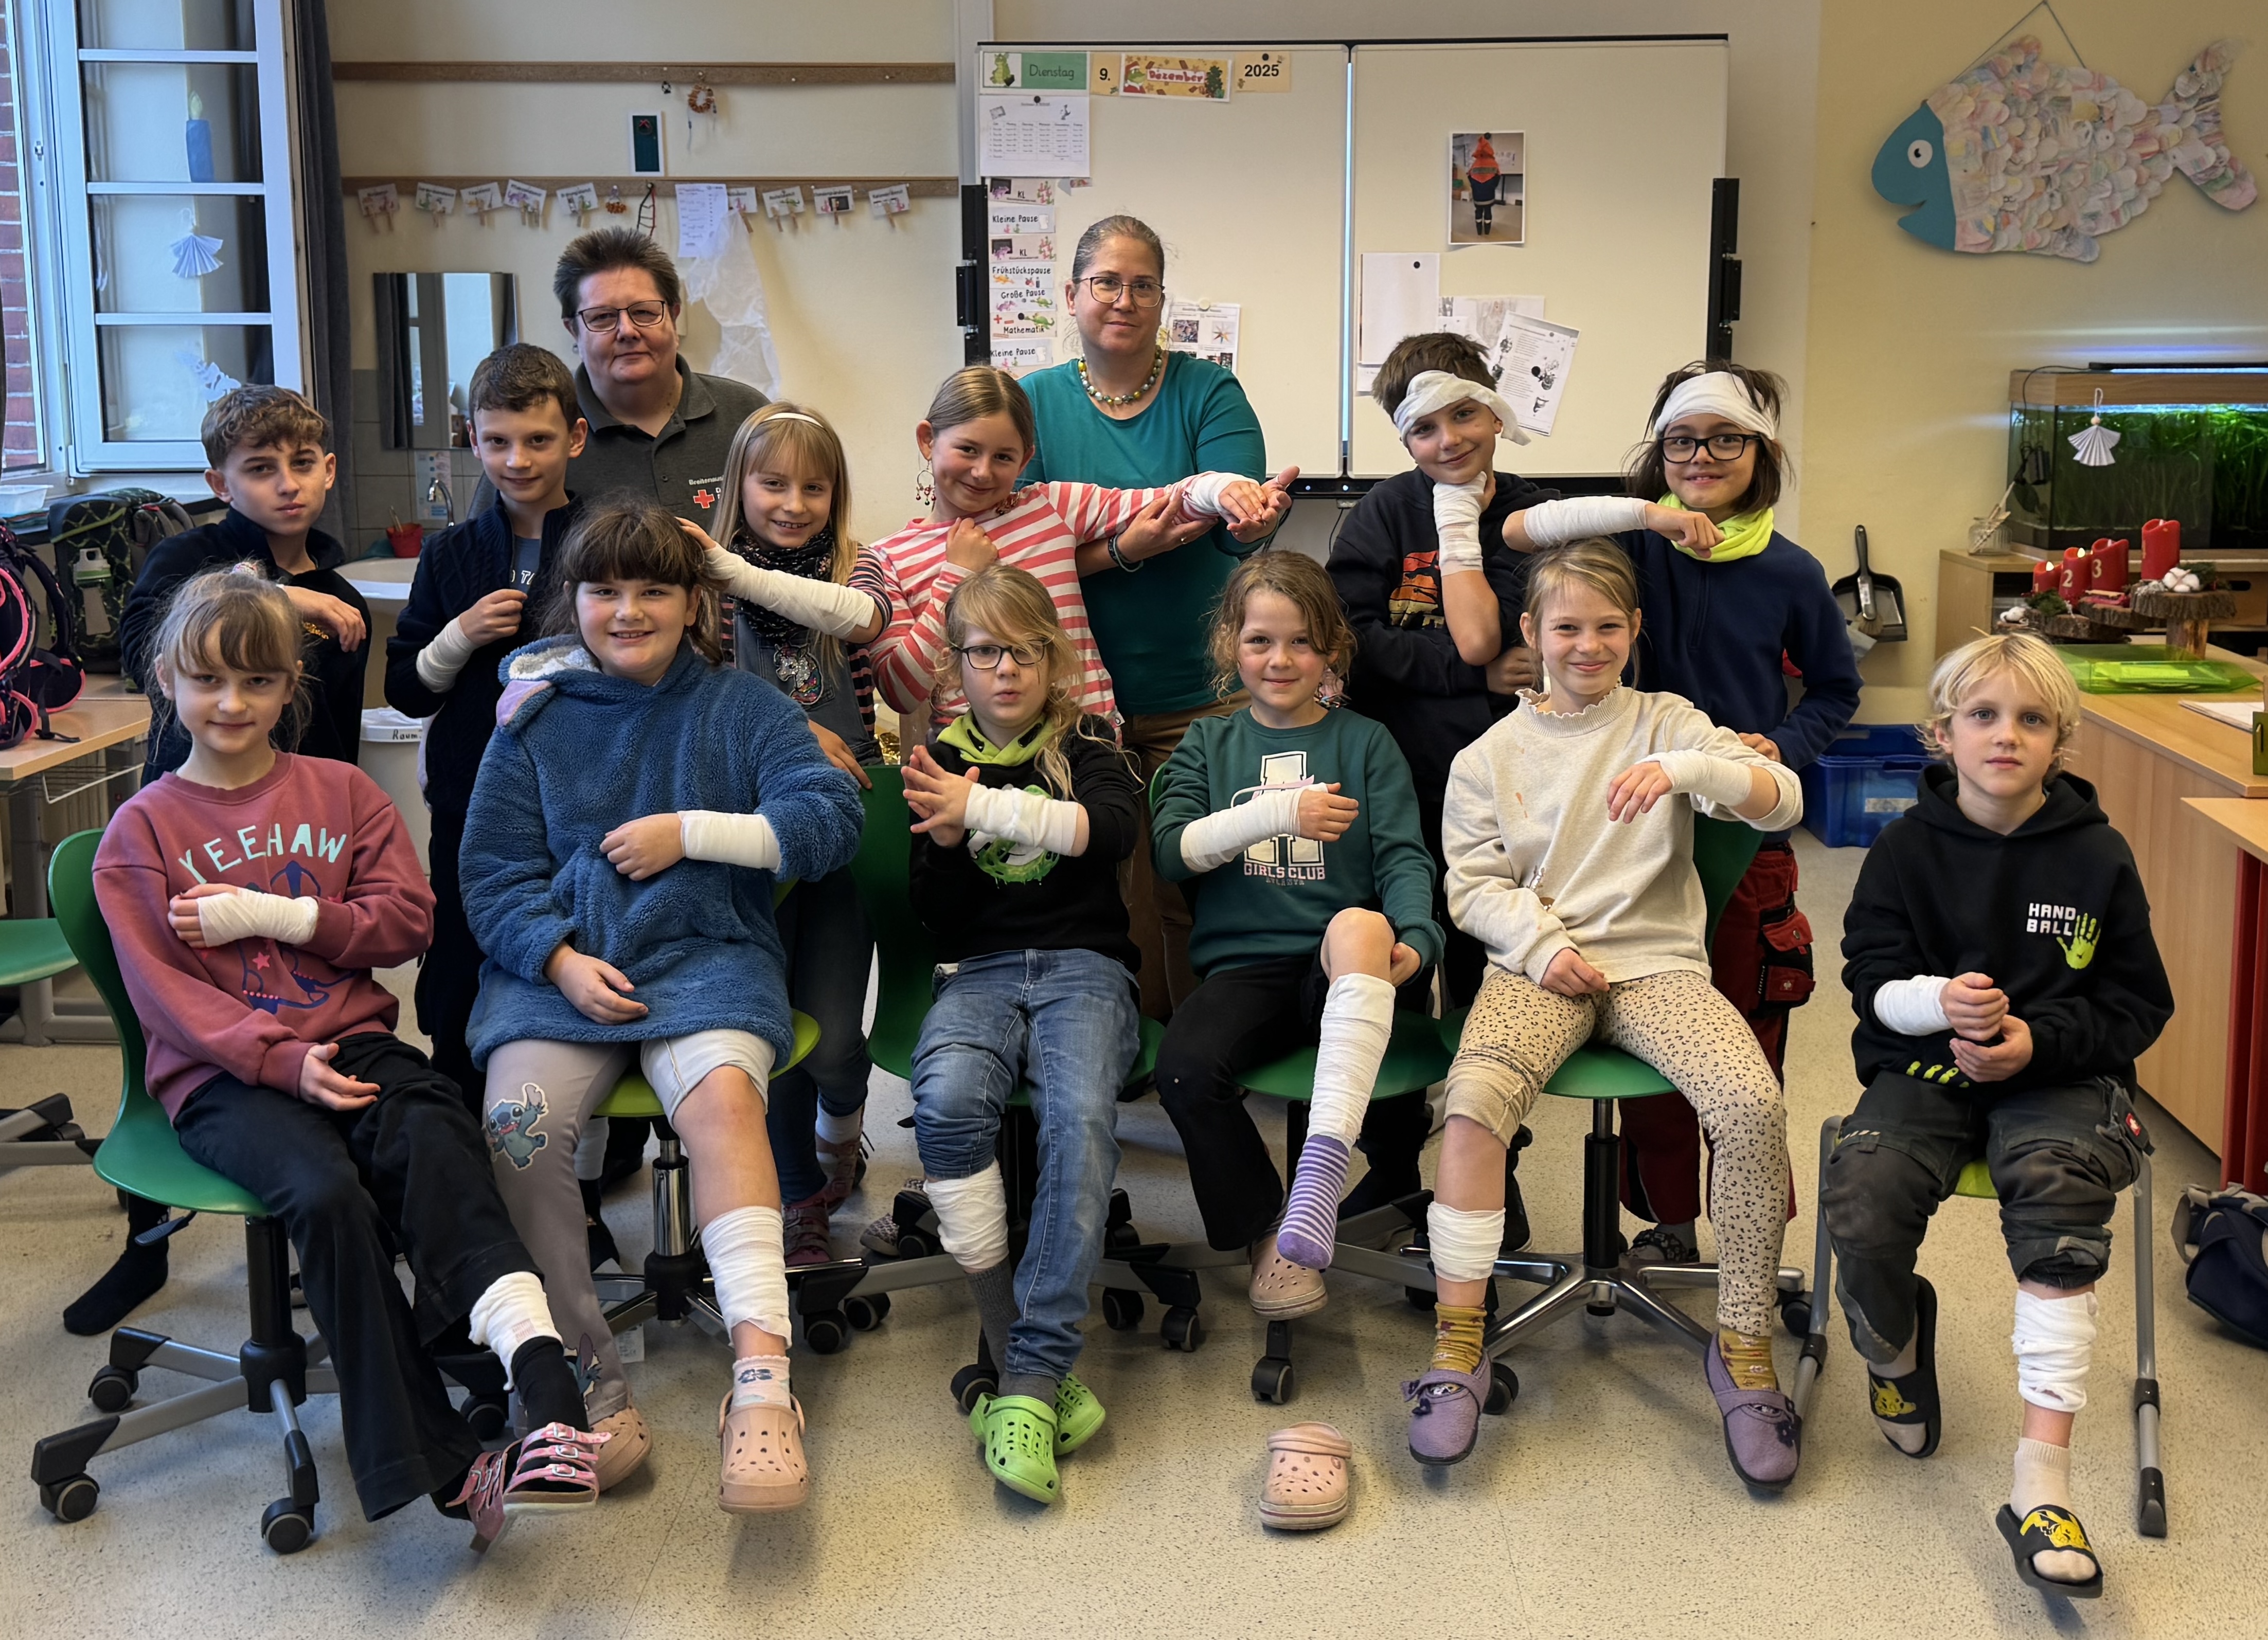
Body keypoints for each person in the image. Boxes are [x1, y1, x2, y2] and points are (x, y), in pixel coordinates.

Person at [95, 566, 605, 1549]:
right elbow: (168, 995)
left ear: (292, 684)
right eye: (208, 680)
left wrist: (288, 916)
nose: (232, 702)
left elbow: (407, 922)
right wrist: (279, 1062)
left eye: (257, 680)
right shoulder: (141, 831)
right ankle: (447, 1467)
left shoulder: (343, 791)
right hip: (220, 1075)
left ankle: (543, 1379)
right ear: (167, 680)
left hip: (353, 1034)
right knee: (327, 1190)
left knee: (439, 1131)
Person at [462, 500, 863, 1512]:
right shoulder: (532, 721)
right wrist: (556, 959)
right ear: (573, 601)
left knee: (725, 1107)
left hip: (706, 963)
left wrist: (691, 830)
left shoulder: (743, 708)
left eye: (654, 590)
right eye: (604, 590)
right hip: (557, 978)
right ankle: (579, 1382)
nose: (627, 610)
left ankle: (761, 1382)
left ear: (695, 603)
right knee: (516, 1126)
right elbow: (492, 874)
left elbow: (828, 821)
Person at [1417, 539, 1801, 1487]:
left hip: (1655, 968)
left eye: (1605, 627)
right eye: (1565, 627)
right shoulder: (1486, 756)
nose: (1585, 645)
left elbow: (1780, 801)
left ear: (1633, 630)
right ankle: (1457, 1345)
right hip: (1536, 966)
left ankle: (1743, 1345)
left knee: (1750, 1103)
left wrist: (1686, 770)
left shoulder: (1668, 720)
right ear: (1530, 632)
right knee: (1471, 1104)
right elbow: (1471, 886)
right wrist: (1542, 947)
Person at [1824, 632, 2169, 1599]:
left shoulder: (2097, 854)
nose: (2005, 734)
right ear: (1941, 733)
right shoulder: (1903, 847)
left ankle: (2041, 1483)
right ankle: (1894, 1350)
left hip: (2059, 1076)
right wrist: (1937, 1001)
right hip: (1924, 1066)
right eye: (1982, 715)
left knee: (2056, 1187)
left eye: (2031, 719)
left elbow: (2137, 1004)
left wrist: (2035, 1043)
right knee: (1863, 1191)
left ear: (2060, 741)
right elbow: (1869, 983)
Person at [1506, 362, 1861, 1269]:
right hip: (1634, 835)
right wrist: (1647, 517)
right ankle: (1666, 1219)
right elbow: (1520, 530)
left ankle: (1749, 1242)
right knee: (1654, 1041)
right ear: (1658, 454)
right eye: (1680, 441)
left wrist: (1782, 745)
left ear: (1760, 452)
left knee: (1745, 1045)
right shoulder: (1632, 555)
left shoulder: (1791, 571)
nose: (1701, 457)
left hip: (1743, 833)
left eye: (1724, 439)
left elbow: (1834, 689)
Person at [80, 385, 371, 1340]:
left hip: (294, 852)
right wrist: (274, 601)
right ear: (219, 482)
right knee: (175, 1031)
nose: (286, 484)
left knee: (307, 1021)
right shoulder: (186, 559)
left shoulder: (340, 585)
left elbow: (334, 742)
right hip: (191, 842)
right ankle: (145, 1245)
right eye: (259, 468)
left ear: (328, 470)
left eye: (302, 465)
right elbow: (145, 651)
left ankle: (321, 1223)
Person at [898, 564, 1142, 1505]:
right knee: (946, 1105)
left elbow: (1109, 833)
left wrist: (981, 810)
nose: (1006, 670)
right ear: (955, 664)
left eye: (1026, 651)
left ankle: (1028, 1386)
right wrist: (947, 841)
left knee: (1078, 1124)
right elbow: (935, 915)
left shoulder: (1088, 743)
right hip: (979, 971)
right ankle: (1015, 1349)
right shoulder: (939, 761)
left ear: (1055, 658)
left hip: (1086, 967)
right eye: (986, 652)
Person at [1151, 551, 1442, 1312]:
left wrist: (1417, 938)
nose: (1280, 660)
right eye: (1260, 641)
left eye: (1301, 642)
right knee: (1182, 1070)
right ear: (1230, 645)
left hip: (1349, 963)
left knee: (1358, 924)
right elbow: (1172, 852)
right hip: (1246, 970)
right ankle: (1272, 1233)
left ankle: (1353, 1178)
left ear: (1332, 651)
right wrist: (1276, 813)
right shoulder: (1207, 745)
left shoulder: (1366, 742)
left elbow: (1404, 857)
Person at [1019, 214, 1287, 1018]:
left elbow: (1229, 517)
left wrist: (1252, 518)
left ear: (1163, 300)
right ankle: (1129, 1050)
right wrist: (1122, 551)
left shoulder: (1209, 391)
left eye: (1143, 285)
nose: (1124, 300)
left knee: (1202, 887)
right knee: (1111, 895)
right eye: (1106, 282)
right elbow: (1016, 551)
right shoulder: (1030, 404)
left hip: (1199, 693)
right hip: (1074, 703)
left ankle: (1204, 1054)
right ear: (1072, 294)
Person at [1326, 333, 1559, 1231]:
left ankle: (1491, 1167)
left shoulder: (1531, 516)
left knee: (1483, 980)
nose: (1449, 438)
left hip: (1505, 795)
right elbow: (1351, 639)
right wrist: (1466, 672)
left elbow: (1533, 639)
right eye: (1424, 426)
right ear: (1402, 437)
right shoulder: (1381, 517)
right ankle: (1390, 1163)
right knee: (1389, 971)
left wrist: (1484, 667)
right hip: (1397, 786)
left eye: (1465, 414)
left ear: (1494, 412)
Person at [688, 403, 889, 1258]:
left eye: (815, 487)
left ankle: (842, 1121)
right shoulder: (702, 589)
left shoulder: (858, 567)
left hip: (845, 825)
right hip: (749, 831)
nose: (794, 503)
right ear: (738, 484)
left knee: (834, 1035)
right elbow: (694, 697)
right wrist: (797, 730)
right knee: (771, 1025)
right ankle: (796, 1194)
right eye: (773, 484)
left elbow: (864, 620)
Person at [866, 365, 1291, 730]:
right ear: (928, 440)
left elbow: (1168, 501)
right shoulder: (887, 559)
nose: (982, 471)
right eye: (967, 450)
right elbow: (900, 690)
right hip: (975, 766)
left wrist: (1227, 490)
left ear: (1025, 458)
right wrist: (956, 576)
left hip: (1085, 750)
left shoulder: (1050, 506)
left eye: (1003, 457)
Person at [386, 343, 587, 1106]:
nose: (517, 459)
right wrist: (459, 636)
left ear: (574, 438)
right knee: (460, 970)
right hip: (470, 805)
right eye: (497, 441)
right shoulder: (451, 555)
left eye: (538, 440)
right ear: (472, 439)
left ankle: (598, 1154)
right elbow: (406, 690)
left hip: (582, 803)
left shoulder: (605, 535)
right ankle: (460, 1130)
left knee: (576, 961)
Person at [469, 227, 769, 534]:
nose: (627, 331)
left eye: (644, 312)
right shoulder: (539, 429)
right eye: (602, 317)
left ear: (673, 317)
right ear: (574, 331)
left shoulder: (746, 415)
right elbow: (483, 550)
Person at [1466, 135, 1503, 237]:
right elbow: (1498, 177)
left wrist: (1475, 187)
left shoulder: (1475, 164)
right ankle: (1487, 231)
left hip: (1477, 195)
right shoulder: (1493, 164)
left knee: (1478, 211)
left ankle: (1479, 232)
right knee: (1488, 210)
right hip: (1489, 194)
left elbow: (1469, 176)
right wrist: (1492, 187)